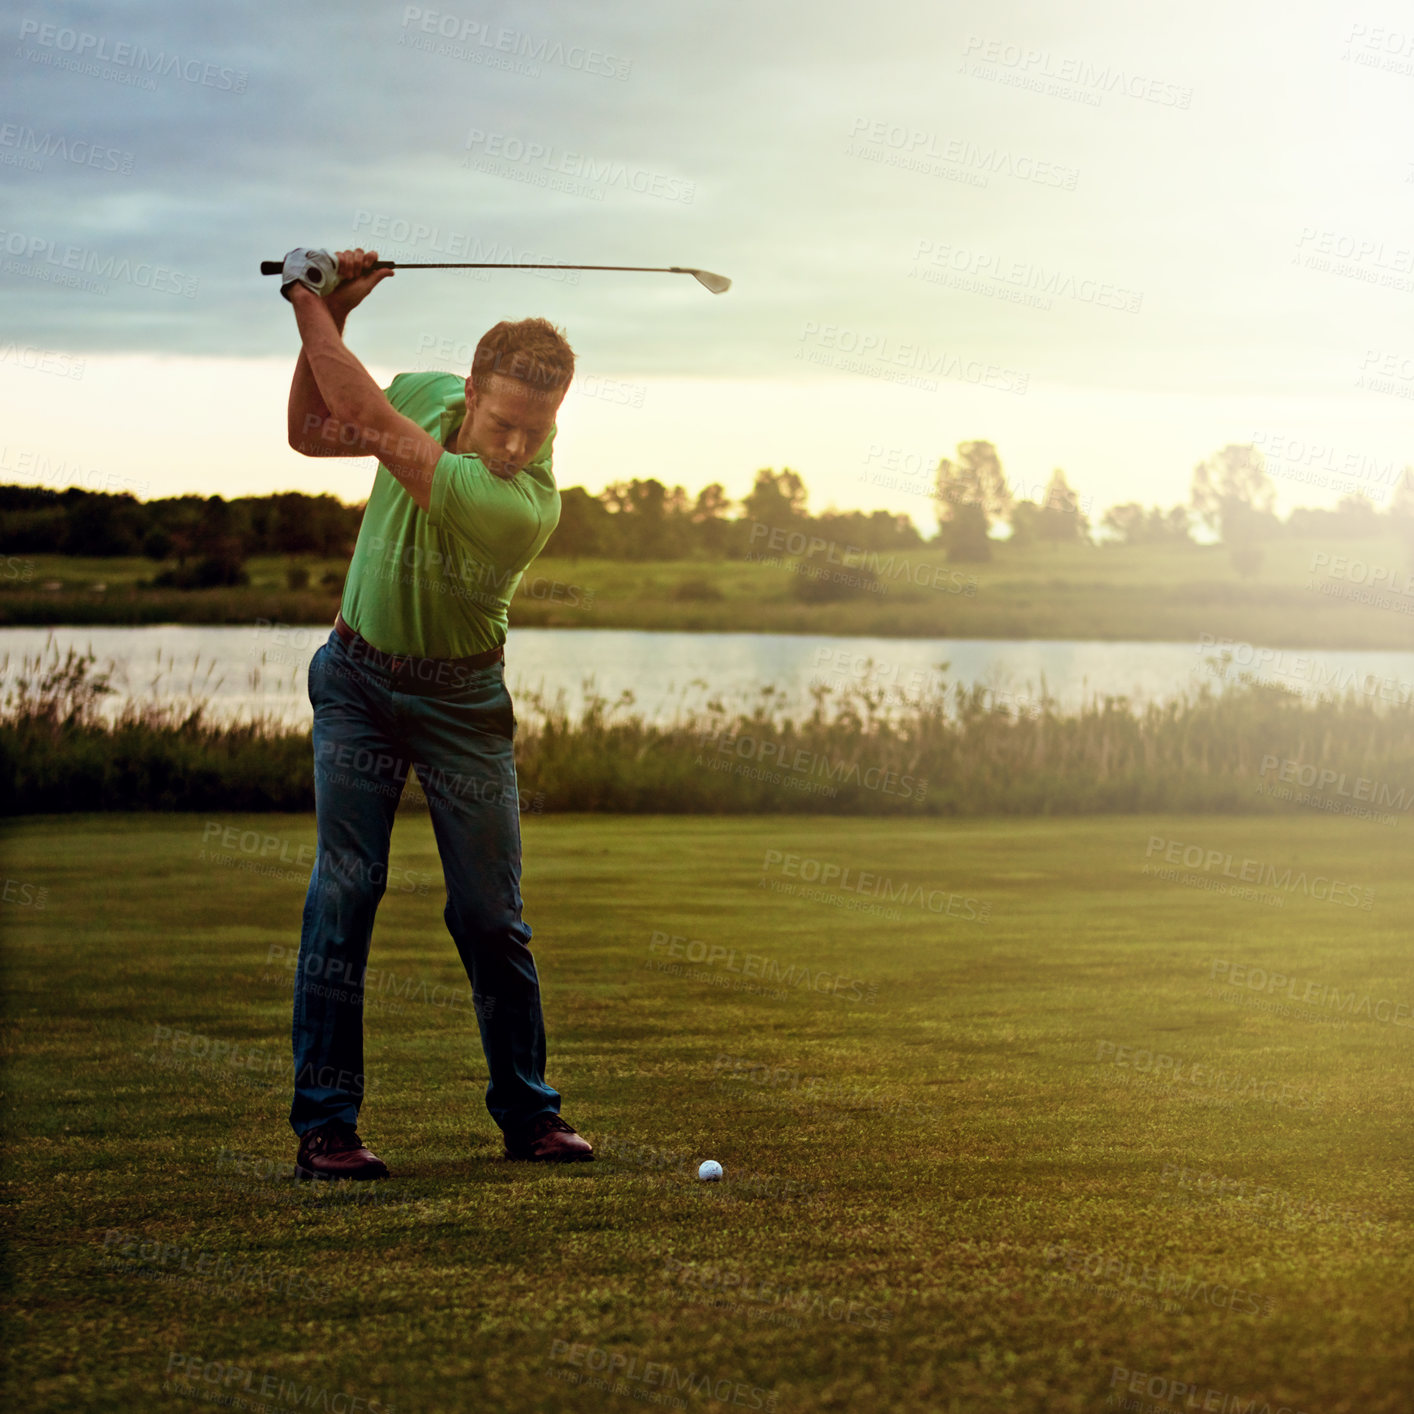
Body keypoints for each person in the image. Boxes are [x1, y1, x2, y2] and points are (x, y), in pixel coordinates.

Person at [280, 245, 591, 1178]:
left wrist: (311, 303)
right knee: (348, 888)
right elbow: (312, 428)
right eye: (501, 424)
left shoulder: (522, 506)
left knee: (490, 916)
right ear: (468, 390)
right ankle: (326, 1127)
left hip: (463, 704)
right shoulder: (424, 394)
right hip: (357, 684)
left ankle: (529, 1114)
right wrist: (330, 327)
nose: (513, 448)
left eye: (534, 433)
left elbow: (366, 415)